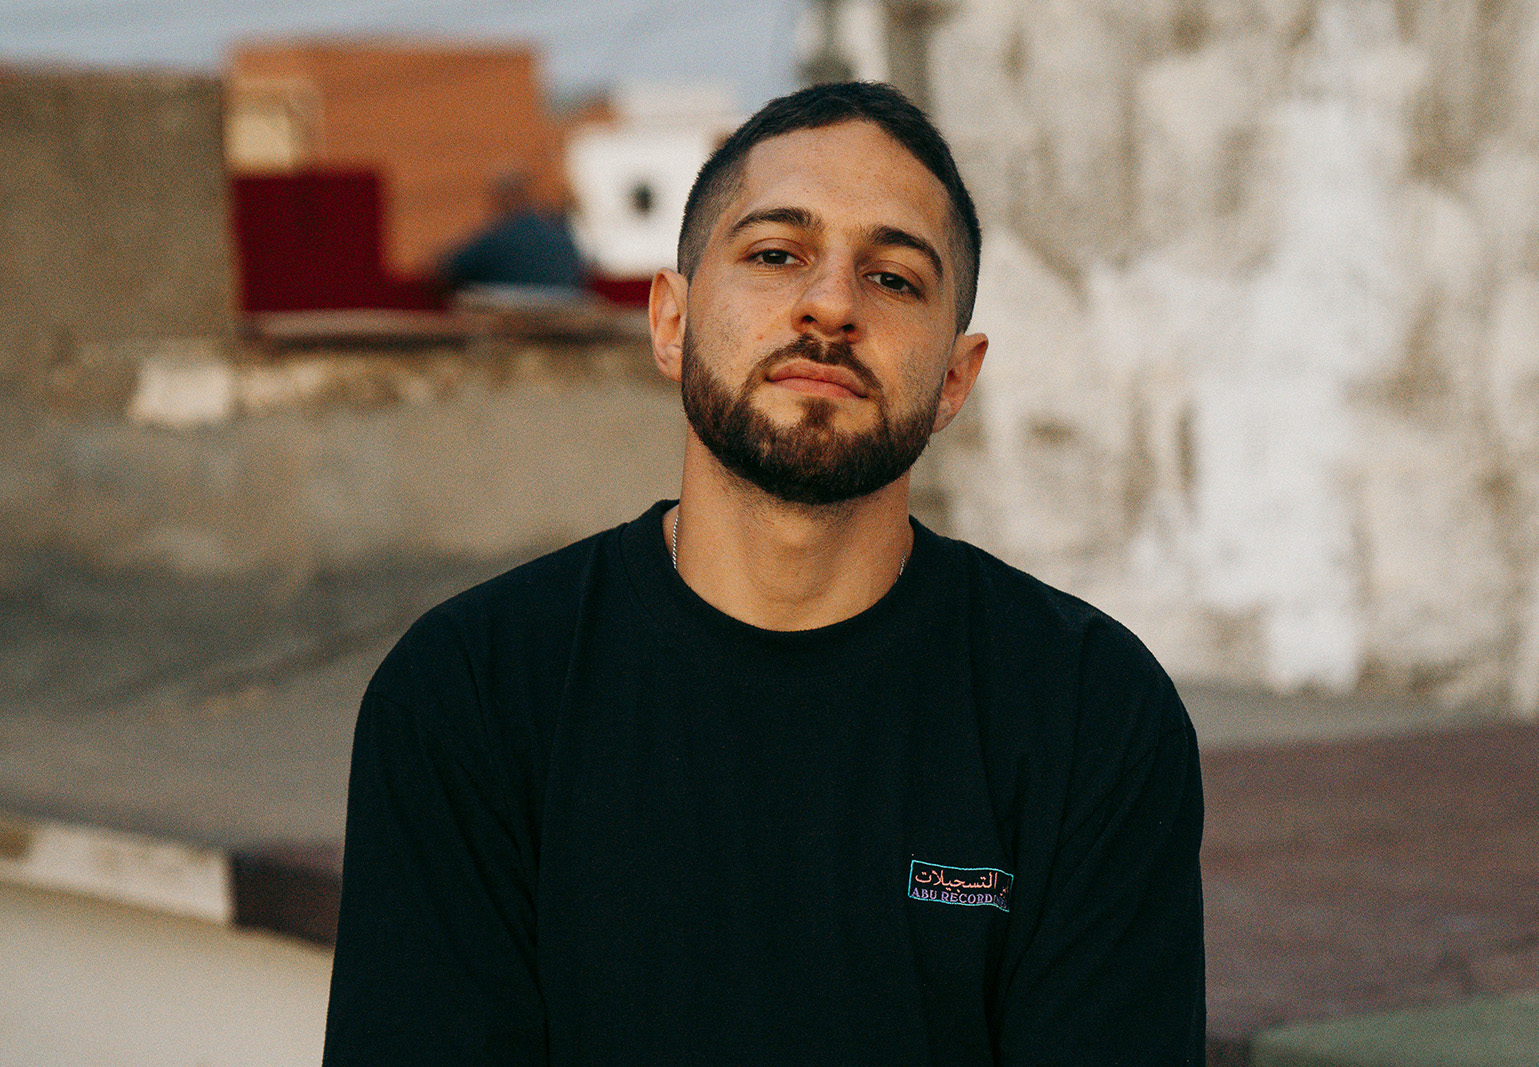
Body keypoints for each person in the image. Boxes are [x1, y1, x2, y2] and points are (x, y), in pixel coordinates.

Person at [324, 82, 1205, 1066]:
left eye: (896, 279)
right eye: (777, 253)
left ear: (955, 379)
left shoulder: (1090, 711)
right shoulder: (471, 691)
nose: (830, 302)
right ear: (670, 320)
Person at [437, 170, 586, 292]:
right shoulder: (560, 236)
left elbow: (449, 269)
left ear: (506, 198)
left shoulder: (498, 238)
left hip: (508, 321)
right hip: (560, 320)